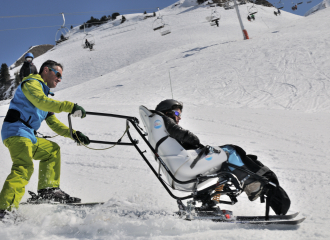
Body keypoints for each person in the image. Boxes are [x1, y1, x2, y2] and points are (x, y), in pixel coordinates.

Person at [0, 60, 89, 219]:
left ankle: (49, 190)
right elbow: (40, 102)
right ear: (46, 70)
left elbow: (54, 124)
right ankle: (5, 210)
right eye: (58, 74)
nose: (59, 79)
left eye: (61, 77)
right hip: (16, 131)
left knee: (52, 150)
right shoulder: (32, 84)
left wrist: (74, 134)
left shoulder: (43, 93)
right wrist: (70, 106)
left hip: (28, 135)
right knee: (24, 166)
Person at [154, 99, 284, 203]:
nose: (179, 118)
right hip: (186, 168)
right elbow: (186, 136)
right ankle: (253, 185)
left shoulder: (160, 133)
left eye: (180, 114)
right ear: (167, 113)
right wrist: (195, 141)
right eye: (177, 113)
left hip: (182, 170)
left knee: (232, 160)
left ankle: (210, 201)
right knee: (231, 151)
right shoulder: (164, 121)